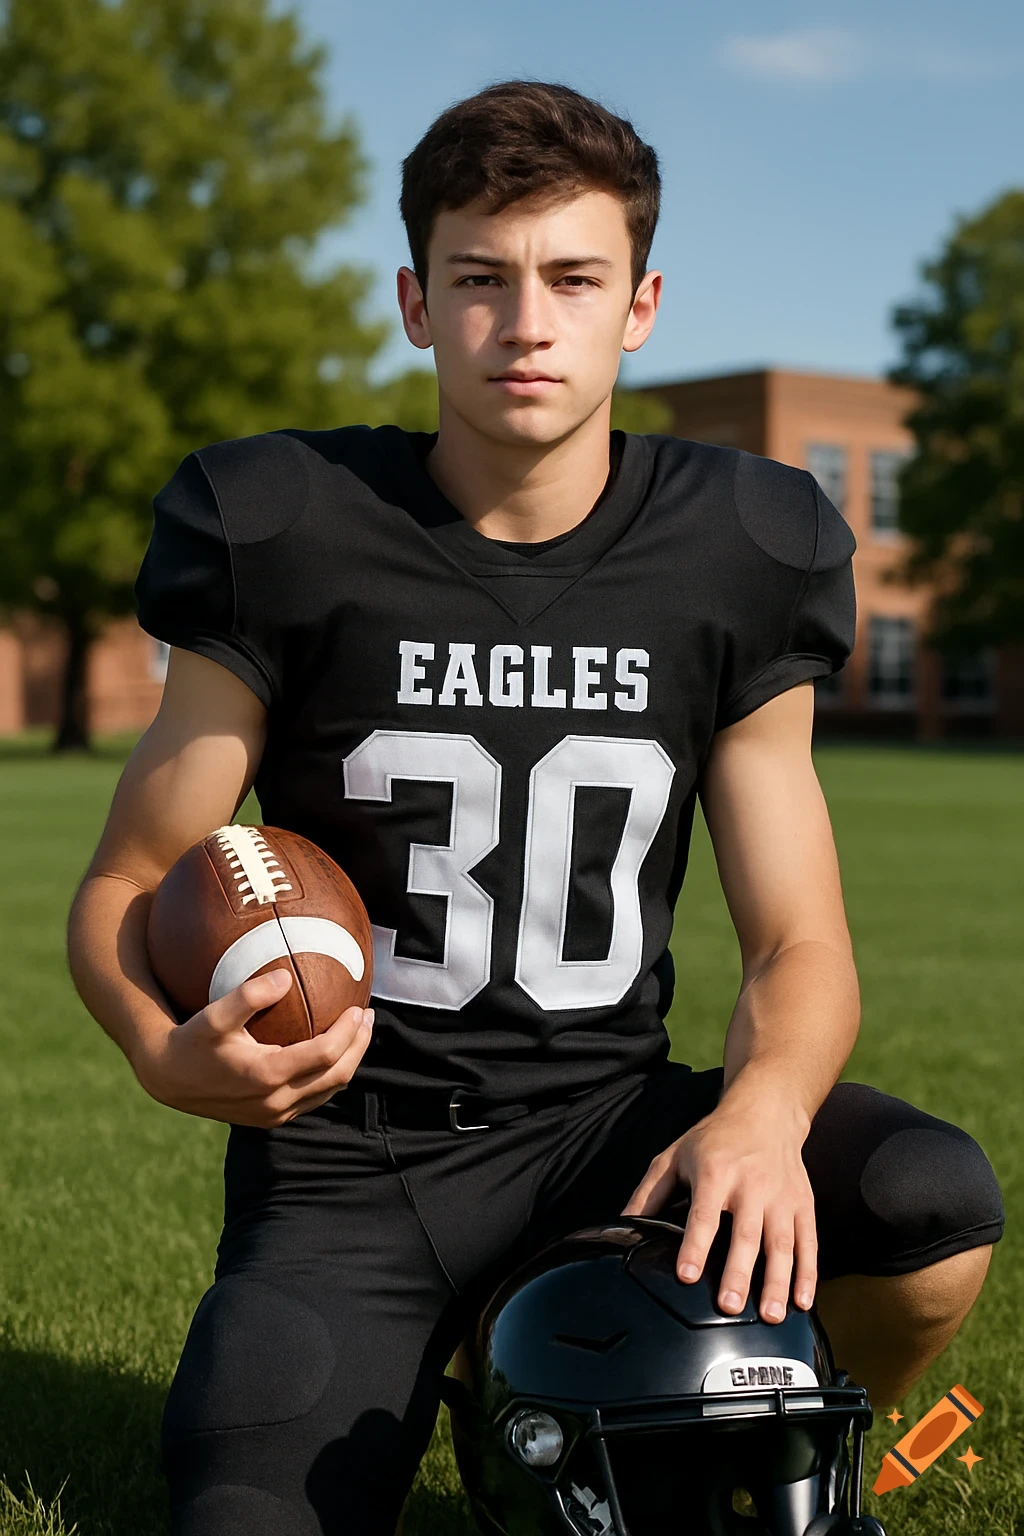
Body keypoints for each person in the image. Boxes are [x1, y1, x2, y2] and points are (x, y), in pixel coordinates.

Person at [68, 81, 1004, 1536]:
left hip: (608, 1128)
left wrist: (759, 1114)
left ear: (639, 305)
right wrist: (157, 1050)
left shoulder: (741, 547)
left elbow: (798, 942)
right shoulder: (285, 525)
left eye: (573, 278)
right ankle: (459, 1355)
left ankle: (818, 1461)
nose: (527, 322)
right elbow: (125, 883)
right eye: (481, 281)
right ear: (415, 302)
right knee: (242, 1512)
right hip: (350, 1157)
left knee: (930, 1205)